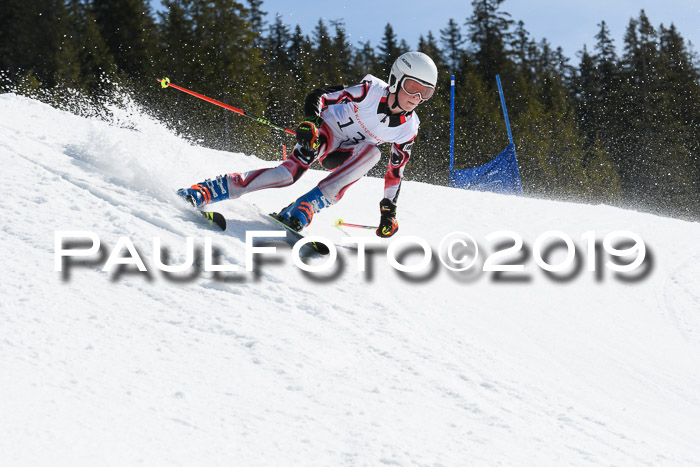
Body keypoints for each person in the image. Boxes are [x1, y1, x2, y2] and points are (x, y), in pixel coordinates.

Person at [177, 51, 438, 238]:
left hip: (347, 154)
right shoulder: (370, 91)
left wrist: (388, 211)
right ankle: (210, 189)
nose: (416, 97)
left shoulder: (408, 128)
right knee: (288, 174)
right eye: (412, 87)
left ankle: (306, 207)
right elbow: (321, 95)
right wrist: (310, 122)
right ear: (396, 79)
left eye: (425, 92)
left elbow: (396, 172)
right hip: (325, 133)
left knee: (372, 153)